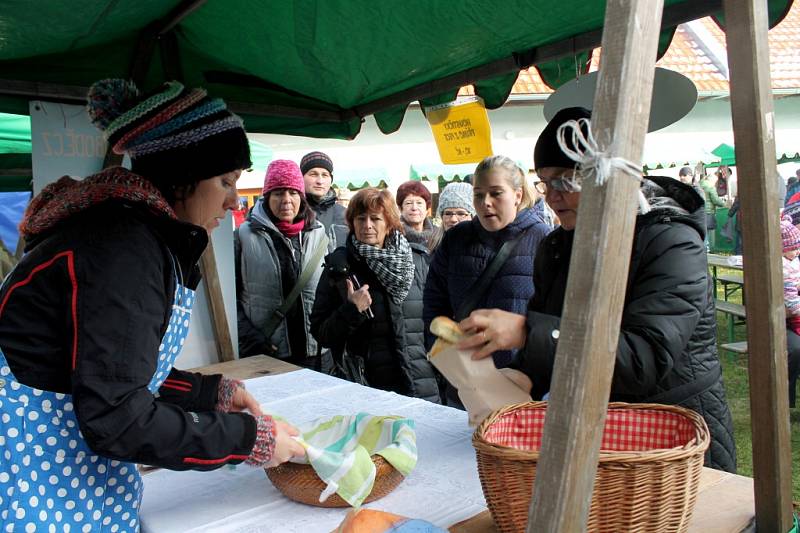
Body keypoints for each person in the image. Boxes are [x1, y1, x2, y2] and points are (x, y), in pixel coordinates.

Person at [0, 79, 304, 529]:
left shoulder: (134, 234)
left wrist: (208, 393)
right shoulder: (123, 248)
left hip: (66, 447)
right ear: (181, 177)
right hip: (29, 464)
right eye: (224, 180)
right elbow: (117, 415)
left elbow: (115, 367)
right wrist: (248, 439)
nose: (232, 199)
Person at [457, 107, 737, 472]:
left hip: (675, 434)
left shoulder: (671, 242)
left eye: (565, 180)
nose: (553, 196)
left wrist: (526, 332)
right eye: (545, 182)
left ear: (608, 174)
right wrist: (520, 378)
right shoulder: (557, 246)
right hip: (602, 430)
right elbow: (553, 329)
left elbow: (643, 359)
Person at [423, 155, 550, 406]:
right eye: (479, 195)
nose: (486, 203)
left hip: (521, 386)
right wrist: (447, 360)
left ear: (517, 194)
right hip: (463, 383)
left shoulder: (543, 240)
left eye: (496, 193)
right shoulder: (456, 239)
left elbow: (551, 320)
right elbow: (434, 304)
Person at [310, 188, 440, 403]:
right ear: (352, 223)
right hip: (368, 390)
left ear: (389, 222)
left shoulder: (416, 261)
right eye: (360, 218)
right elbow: (321, 333)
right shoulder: (340, 268)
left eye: (375, 218)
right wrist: (351, 310)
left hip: (422, 384)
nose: (367, 225)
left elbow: (434, 322)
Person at [236, 160, 332, 371]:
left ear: (301, 197)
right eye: (278, 193)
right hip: (268, 353)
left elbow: (330, 292)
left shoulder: (319, 234)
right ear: (267, 196)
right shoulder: (244, 236)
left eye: (293, 192)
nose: (286, 200)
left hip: (316, 356)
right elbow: (230, 300)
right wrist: (250, 338)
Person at [300, 151, 348, 251]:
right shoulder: (292, 212)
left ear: (331, 180)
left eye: (325, 175)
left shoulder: (345, 214)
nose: (320, 181)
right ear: (301, 177)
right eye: (313, 174)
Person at [779, 217, 800, 407]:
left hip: (793, 315)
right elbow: (790, 309)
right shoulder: (782, 267)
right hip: (784, 321)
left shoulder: (793, 262)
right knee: (795, 349)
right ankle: (786, 400)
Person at [428, 181, 475, 252]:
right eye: (448, 213)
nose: (453, 219)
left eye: (461, 214)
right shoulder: (429, 247)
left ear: (473, 216)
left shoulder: (486, 249)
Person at [396, 180, 436, 248]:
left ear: (427, 208)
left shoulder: (438, 235)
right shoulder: (393, 236)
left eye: (419, 203)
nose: (414, 208)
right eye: (408, 203)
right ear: (400, 208)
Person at [699, 167, 727, 251]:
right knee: (707, 233)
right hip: (708, 212)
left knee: (702, 233)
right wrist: (724, 204)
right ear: (712, 180)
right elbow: (716, 200)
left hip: (700, 211)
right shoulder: (710, 187)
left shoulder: (699, 184)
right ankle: (706, 250)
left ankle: (702, 249)